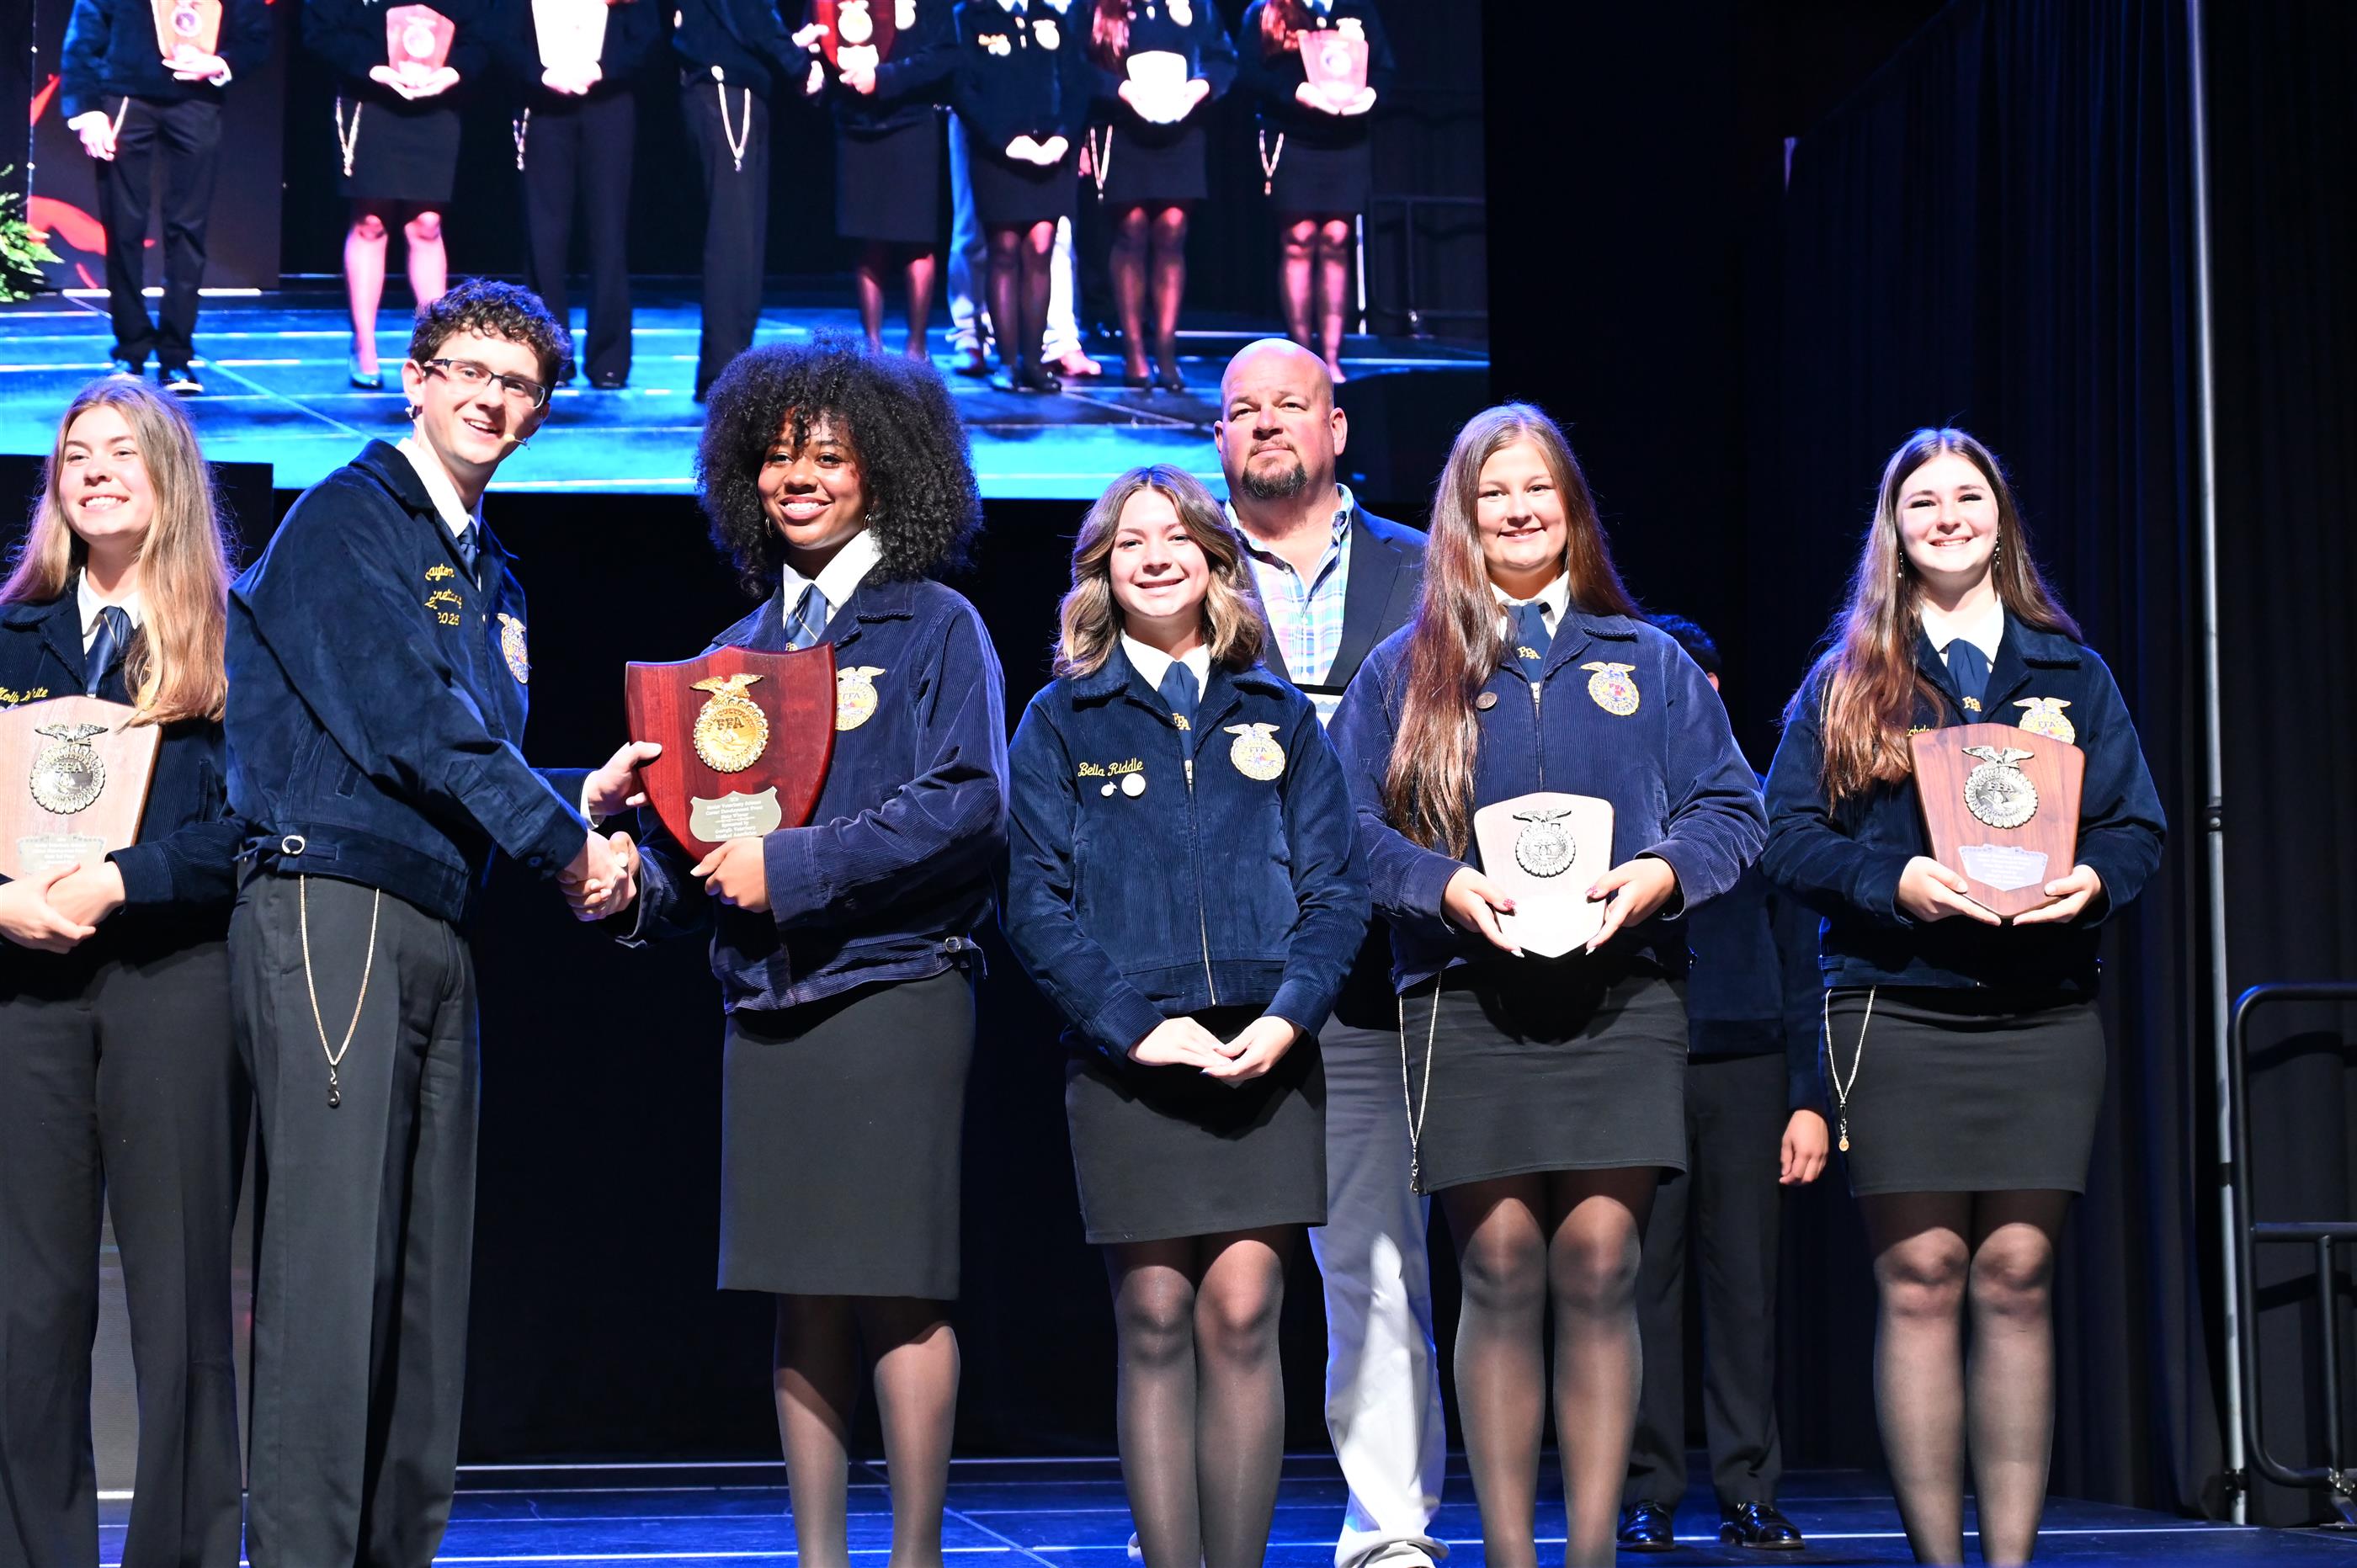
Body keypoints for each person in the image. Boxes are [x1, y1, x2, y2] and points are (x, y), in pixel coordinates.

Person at [223, 279, 638, 1568]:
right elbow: (411, 721)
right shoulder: (350, 514)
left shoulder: (493, 570)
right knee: (331, 1268)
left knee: (421, 1279)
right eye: (467, 369)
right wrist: (565, 843)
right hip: (333, 904)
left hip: (439, 919)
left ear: (539, 413)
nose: (491, 398)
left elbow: (464, 758)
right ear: (415, 378)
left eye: (519, 384)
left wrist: (578, 801)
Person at [1328, 404, 1766, 1568]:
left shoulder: (1647, 660)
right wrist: (1443, 887)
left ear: (1571, 508)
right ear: (1461, 518)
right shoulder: (1404, 667)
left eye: (1538, 489)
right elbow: (1343, 828)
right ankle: (1513, 1556)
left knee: (1602, 1263)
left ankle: (1591, 1555)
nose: (1518, 510)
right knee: (1499, 1264)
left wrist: (1661, 875)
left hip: (1625, 998)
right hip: (1462, 997)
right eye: (1494, 494)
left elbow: (1734, 809)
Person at [609, 338, 1004, 1568]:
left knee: (895, 1279)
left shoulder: (935, 624)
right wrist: (617, 868)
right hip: (765, 1003)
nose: (799, 479)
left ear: (883, 471)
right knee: (802, 1286)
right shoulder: (732, 654)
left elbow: (969, 804)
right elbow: (699, 860)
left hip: (897, 985)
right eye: (777, 459)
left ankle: (915, 1557)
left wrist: (794, 868)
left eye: (828, 457)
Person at [1760, 428, 2164, 1567]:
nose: (1947, 517)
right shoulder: (1847, 680)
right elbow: (1782, 835)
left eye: (1968, 497)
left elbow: (2136, 827)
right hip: (1895, 1008)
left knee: (2018, 1279)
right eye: (1922, 502)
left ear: (2000, 519)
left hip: (2042, 1013)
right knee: (1923, 1278)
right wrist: (1892, 881)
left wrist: (2092, 880)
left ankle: (2011, 1561)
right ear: (1893, 532)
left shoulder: (2070, 673)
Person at [1003, 465, 1367, 1568]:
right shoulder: (1060, 719)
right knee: (1156, 1319)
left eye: (1176, 538)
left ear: (1215, 562)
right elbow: (1034, 903)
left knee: (1244, 1315)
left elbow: (1337, 890)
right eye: (1131, 541)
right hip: (1130, 1063)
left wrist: (1292, 1016)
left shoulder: (1278, 712)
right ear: (1102, 572)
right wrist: (1133, 1024)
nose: (1155, 556)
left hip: (1267, 1055)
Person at [0, 379, 248, 1568]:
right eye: (74, 456)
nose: (94, 473)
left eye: (120, 454)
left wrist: (124, 878)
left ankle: (182, 1552)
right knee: (27, 1300)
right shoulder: (10, 635)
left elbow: (259, 826)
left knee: (181, 1298)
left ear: (170, 478)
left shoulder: (237, 639)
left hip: (172, 980)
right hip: (25, 992)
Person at [1213, 337, 1445, 1568]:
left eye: (1289, 404)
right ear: (1218, 437)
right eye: (1242, 409)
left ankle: (1388, 1527)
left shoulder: (1423, 570)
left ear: (1336, 426)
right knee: (1207, 1272)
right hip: (1214, 973)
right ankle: (1193, 1515)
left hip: (1370, 971)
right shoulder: (1172, 563)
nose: (1266, 423)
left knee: (1376, 1259)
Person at [1616, 613, 1825, 1555]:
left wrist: (1809, 1097)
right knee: (1639, 1287)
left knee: (1744, 1285)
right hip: (1638, 1063)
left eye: (1697, 683)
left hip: (1747, 1069)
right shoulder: (1611, 804)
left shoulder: (1757, 805)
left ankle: (1748, 1487)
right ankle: (1646, 1490)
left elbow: (1804, 960)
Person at [59, 0, 270, 392]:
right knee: (124, 228)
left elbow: (256, 34)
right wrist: (87, 110)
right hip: (126, 94)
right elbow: (84, 34)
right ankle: (131, 348)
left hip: (197, 100)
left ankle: (176, 355)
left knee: (187, 230)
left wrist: (221, 63)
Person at [304, 0, 497, 389]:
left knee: (427, 224)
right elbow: (320, 29)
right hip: (369, 97)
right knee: (370, 221)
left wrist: (453, 71)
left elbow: (484, 30)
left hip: (437, 100)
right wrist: (373, 67)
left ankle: (434, 348)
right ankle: (364, 345)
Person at [508, 0, 664, 389]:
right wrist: (539, 74)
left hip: (609, 104)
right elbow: (499, 32)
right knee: (544, 236)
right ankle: (547, 355)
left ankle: (608, 358)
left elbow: (647, 33)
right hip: (541, 105)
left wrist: (603, 68)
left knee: (609, 233)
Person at [1234, 0, 1391, 384]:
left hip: (1346, 139)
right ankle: (1302, 358)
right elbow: (1248, 70)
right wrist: (1297, 91)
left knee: (1337, 238)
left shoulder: (1358, 8)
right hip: (1291, 136)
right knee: (1299, 239)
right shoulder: (1267, 9)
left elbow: (1385, 68)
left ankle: (1332, 359)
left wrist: (1372, 95)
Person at [1083, 0, 1234, 391]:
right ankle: (1134, 350)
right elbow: (1076, 64)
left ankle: (1166, 350)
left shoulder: (1197, 6)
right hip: (1122, 127)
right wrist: (1120, 89)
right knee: (1131, 231)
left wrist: (1202, 85)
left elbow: (1222, 56)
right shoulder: (1101, 7)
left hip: (1181, 131)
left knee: (1172, 231)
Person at [950, 0, 1094, 392]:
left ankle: (1033, 361)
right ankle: (1008, 362)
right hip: (998, 154)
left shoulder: (1049, 16)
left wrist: (1063, 137)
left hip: (1051, 153)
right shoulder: (971, 17)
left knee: (1040, 251)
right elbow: (963, 87)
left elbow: (1077, 82)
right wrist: (1005, 141)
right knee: (1004, 251)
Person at [801, 0, 955, 359]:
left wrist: (884, 78)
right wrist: (813, 71)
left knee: (917, 239)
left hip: (911, 120)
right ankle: (873, 349)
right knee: (867, 238)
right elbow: (817, 38)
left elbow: (946, 53)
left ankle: (917, 349)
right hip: (855, 122)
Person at [673, 0, 806, 396]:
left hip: (731, 85)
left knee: (743, 236)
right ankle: (724, 373)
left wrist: (791, 46)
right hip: (726, 87)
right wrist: (798, 63)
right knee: (734, 235)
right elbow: (751, 13)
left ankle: (732, 367)